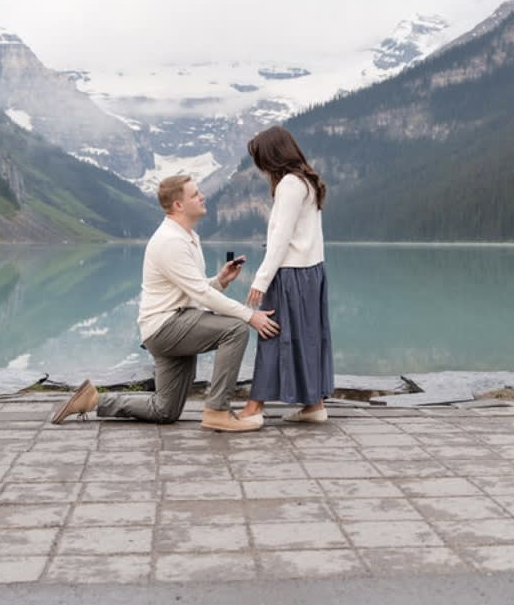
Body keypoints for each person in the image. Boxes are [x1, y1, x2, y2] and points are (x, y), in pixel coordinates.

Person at [51, 174, 280, 432]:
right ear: (178, 205)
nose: (202, 197)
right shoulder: (171, 241)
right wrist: (250, 316)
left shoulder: (188, 237)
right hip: (168, 327)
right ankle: (217, 411)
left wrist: (219, 281)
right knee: (235, 329)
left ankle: (93, 399)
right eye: (195, 194)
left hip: (171, 325)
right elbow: (202, 296)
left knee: (165, 410)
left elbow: (193, 289)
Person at [239, 126, 333, 424]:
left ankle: (254, 409)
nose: (260, 166)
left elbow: (281, 238)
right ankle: (314, 404)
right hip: (312, 272)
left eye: (261, 158)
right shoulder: (307, 182)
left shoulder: (289, 186)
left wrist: (260, 279)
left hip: (290, 274)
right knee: (308, 338)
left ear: (272, 156)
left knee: (271, 336)